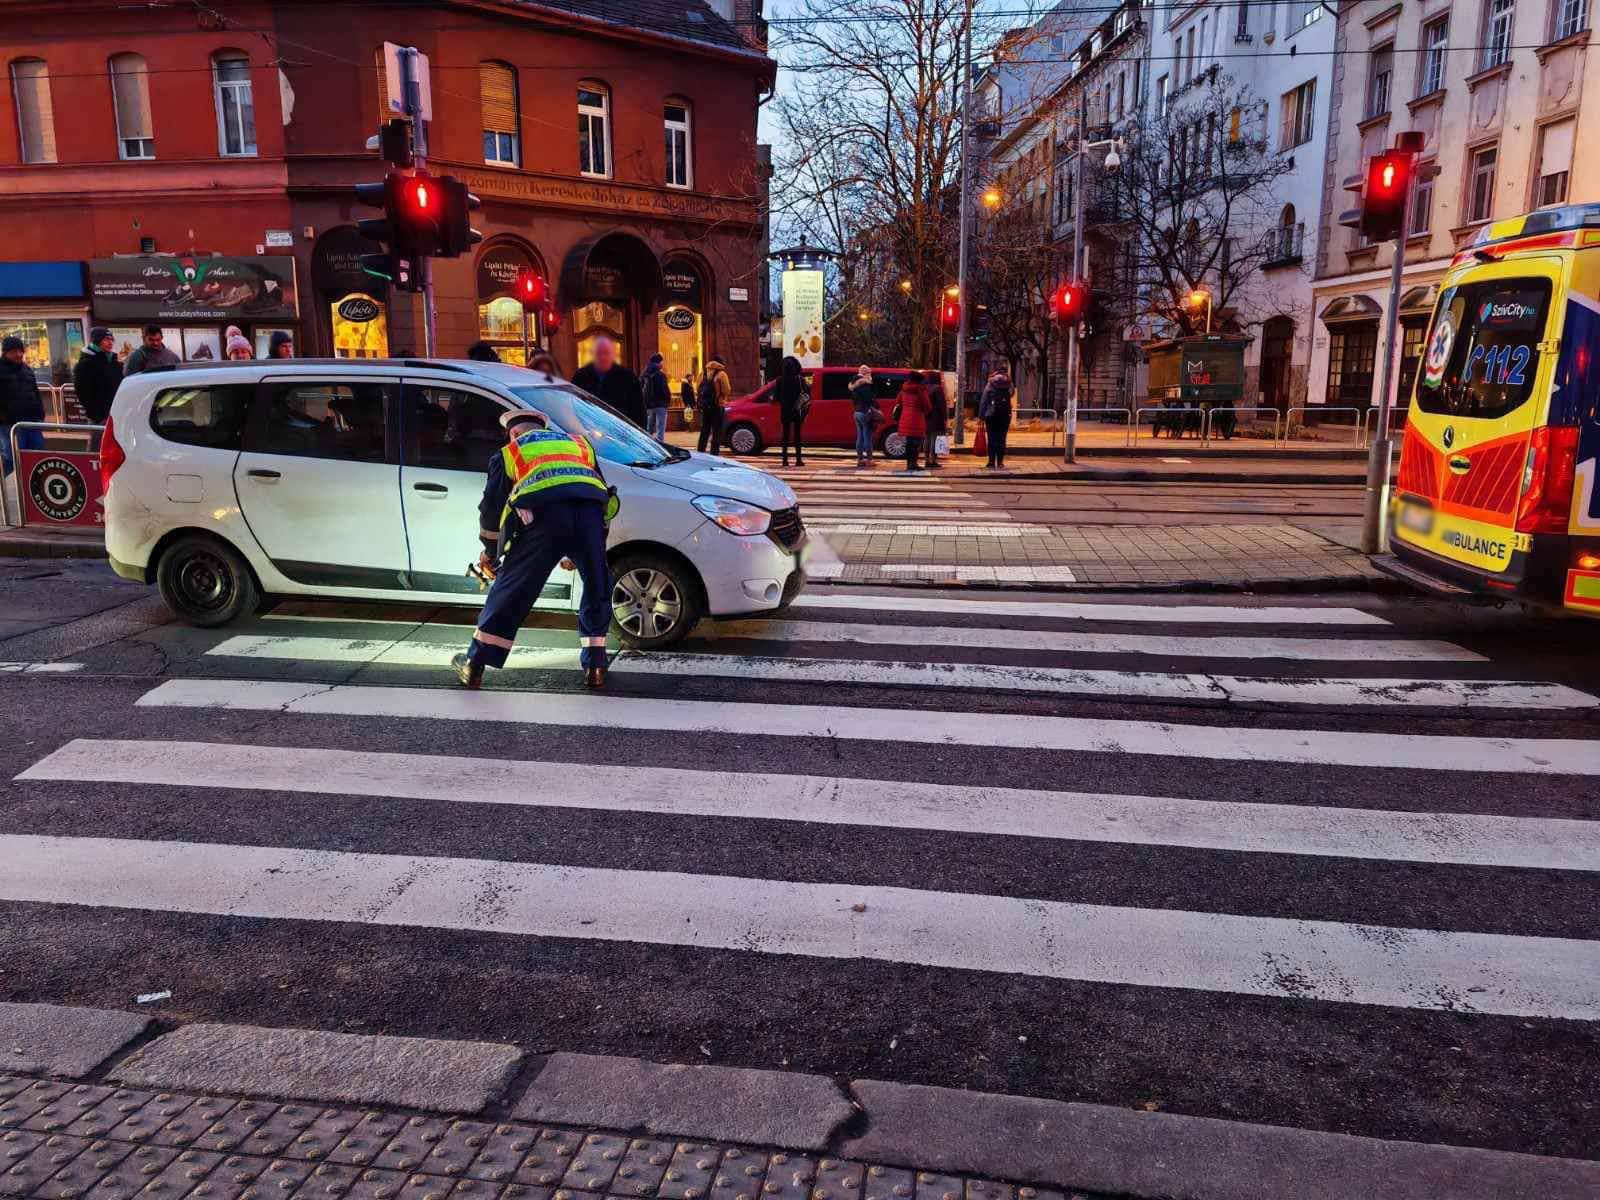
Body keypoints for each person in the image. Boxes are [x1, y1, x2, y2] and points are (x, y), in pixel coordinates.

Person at [452, 408, 619, 691]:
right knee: (596, 584)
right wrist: (578, 550)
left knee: (512, 587)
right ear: (543, 428)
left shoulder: (509, 453)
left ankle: (474, 666)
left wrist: (490, 554)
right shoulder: (578, 444)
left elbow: (492, 513)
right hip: (591, 517)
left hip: (545, 521)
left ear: (514, 433)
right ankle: (596, 666)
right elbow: (596, 491)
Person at [571, 335, 645, 427]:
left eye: (606, 353)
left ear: (613, 354)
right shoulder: (581, 376)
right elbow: (573, 405)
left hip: (620, 432)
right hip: (588, 430)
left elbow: (638, 411)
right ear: (593, 355)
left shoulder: (628, 377)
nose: (603, 357)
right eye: (599, 353)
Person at [0, 336, 45, 474]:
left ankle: (31, 485)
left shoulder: (26, 369)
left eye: (20, 351)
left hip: (32, 421)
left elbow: (35, 392)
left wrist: (40, 412)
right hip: (10, 424)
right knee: (12, 458)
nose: (18, 354)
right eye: (14, 351)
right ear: (5, 353)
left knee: (37, 454)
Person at [72, 327, 123, 423]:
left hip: (115, 413)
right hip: (99, 417)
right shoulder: (86, 363)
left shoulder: (113, 360)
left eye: (111, 340)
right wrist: (97, 415)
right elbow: (83, 393)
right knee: (99, 438)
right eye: (106, 339)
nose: (110, 343)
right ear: (97, 341)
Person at [896, 370, 931, 473]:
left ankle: (909, 463)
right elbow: (927, 406)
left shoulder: (904, 389)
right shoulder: (920, 390)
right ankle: (913, 464)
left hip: (905, 418)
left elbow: (898, 402)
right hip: (917, 419)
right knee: (916, 443)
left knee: (909, 442)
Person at [775, 355, 807, 467]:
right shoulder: (800, 379)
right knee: (797, 435)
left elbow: (776, 398)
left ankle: (785, 460)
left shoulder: (779, 380)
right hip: (797, 410)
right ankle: (798, 459)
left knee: (785, 435)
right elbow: (807, 393)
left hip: (785, 410)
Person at [979, 370, 1014, 469]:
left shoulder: (990, 384)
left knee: (991, 438)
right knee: (1002, 439)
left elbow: (984, 400)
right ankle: (1000, 462)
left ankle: (990, 462)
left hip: (991, 415)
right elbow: (1012, 394)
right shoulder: (1008, 384)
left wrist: (981, 416)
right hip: (1005, 415)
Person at [850, 365, 878, 467]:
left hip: (857, 412)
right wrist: (875, 404)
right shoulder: (864, 384)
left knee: (860, 436)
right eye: (869, 373)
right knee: (867, 436)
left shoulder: (853, 384)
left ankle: (860, 459)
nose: (870, 375)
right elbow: (868, 398)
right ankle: (869, 460)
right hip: (865, 411)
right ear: (865, 374)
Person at [641, 352, 672, 442]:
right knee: (660, 429)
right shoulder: (661, 375)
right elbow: (664, 390)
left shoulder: (644, 374)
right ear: (658, 362)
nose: (663, 363)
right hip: (660, 405)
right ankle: (660, 446)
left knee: (649, 428)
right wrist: (667, 400)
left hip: (648, 405)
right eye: (662, 361)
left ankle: (647, 445)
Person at [923, 372, 948, 470]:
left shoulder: (925, 388)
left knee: (927, 438)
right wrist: (945, 418)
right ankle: (933, 460)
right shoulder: (937, 389)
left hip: (926, 417)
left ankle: (926, 459)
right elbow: (941, 405)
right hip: (936, 418)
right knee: (935, 439)